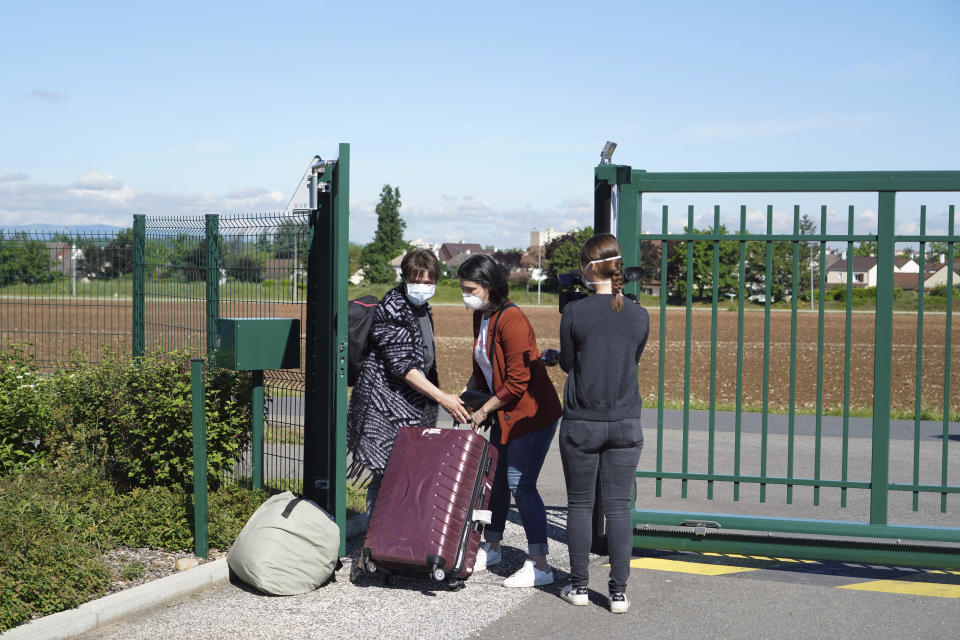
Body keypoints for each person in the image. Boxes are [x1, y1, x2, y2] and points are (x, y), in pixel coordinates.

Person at [554, 233, 649, 613]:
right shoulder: (640, 314)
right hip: (626, 423)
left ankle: (578, 587)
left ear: (589, 268)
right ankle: (619, 593)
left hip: (582, 424)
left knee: (579, 505)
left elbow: (567, 363)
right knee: (619, 507)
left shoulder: (574, 312)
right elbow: (633, 356)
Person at [457, 254, 562, 588]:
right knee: (497, 480)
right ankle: (493, 545)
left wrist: (483, 410)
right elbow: (484, 365)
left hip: (531, 415)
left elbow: (518, 381)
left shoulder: (511, 319)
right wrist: (465, 393)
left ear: (489, 287)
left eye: (470, 289)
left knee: (520, 484)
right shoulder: (481, 315)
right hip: (504, 412)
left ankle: (540, 564)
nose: (466, 295)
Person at [347, 249, 470, 517]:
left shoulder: (421, 308)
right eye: (416, 281)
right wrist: (443, 398)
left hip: (410, 405)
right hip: (385, 407)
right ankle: (375, 543)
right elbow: (405, 368)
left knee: (401, 471)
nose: (422, 287)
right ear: (404, 278)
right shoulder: (393, 307)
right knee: (387, 473)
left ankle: (391, 531)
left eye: (428, 282)